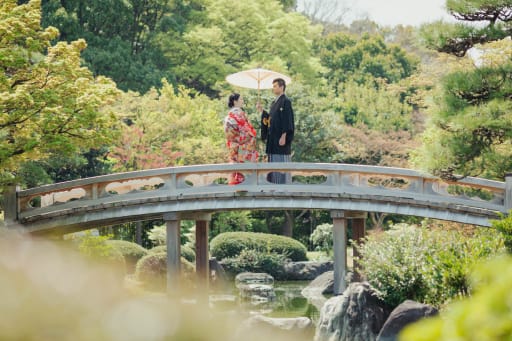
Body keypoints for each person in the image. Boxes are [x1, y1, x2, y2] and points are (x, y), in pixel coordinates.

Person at [257, 78, 294, 184]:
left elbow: (287, 119)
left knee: (281, 164)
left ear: (281, 87)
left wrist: (284, 135)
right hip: (273, 138)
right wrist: (262, 111)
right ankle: (274, 185)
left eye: (275, 86)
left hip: (280, 139)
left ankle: (283, 186)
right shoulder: (274, 103)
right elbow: (270, 119)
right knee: (273, 163)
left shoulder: (286, 101)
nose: (273, 88)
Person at [224, 93, 259, 185]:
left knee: (235, 166)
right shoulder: (238, 113)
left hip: (233, 145)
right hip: (242, 145)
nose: (242, 101)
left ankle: (235, 184)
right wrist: (252, 133)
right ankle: (244, 185)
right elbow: (246, 129)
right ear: (235, 101)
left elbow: (229, 133)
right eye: (241, 99)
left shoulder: (229, 115)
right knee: (244, 167)